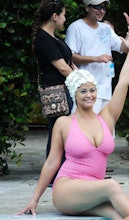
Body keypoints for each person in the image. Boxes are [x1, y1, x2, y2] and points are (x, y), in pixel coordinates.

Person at [17, 16, 129, 220]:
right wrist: (34, 199)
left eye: (92, 90)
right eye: (83, 91)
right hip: (67, 190)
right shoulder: (65, 123)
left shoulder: (106, 118)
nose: (89, 95)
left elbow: (124, 83)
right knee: (112, 187)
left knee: (117, 216)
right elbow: (53, 161)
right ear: (74, 93)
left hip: (93, 190)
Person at [65, 0, 129, 114]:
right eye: (98, 7)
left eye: (104, 8)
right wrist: (96, 58)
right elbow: (69, 56)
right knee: (86, 129)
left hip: (105, 90)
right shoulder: (75, 28)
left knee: (106, 129)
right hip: (85, 91)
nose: (101, 11)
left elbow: (124, 48)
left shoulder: (106, 28)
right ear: (87, 8)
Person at [32, 0, 74, 185]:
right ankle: (54, 174)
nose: (65, 19)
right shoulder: (44, 38)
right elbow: (63, 68)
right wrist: (81, 81)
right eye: (63, 15)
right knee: (57, 132)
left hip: (64, 89)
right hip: (57, 92)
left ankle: (60, 172)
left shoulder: (52, 37)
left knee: (62, 131)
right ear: (54, 16)